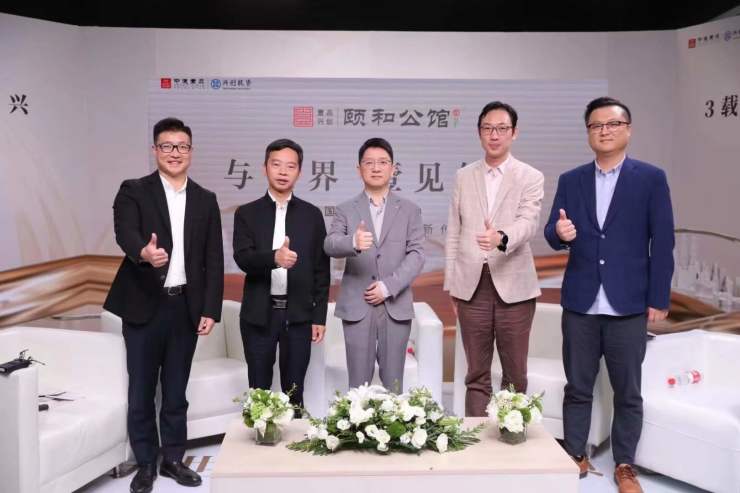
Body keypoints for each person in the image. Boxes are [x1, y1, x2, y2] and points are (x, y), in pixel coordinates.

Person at [544, 96, 674, 493]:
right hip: (581, 302)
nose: (604, 131)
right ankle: (575, 453)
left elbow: (663, 241)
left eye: (613, 124)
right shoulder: (571, 180)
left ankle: (625, 466)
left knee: (627, 392)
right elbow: (552, 231)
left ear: (627, 130)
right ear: (588, 133)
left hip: (629, 302)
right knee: (577, 387)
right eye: (596, 125)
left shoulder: (650, 178)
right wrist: (559, 234)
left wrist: (659, 297)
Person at [104, 117, 224, 493]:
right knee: (141, 390)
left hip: (184, 307)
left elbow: (213, 258)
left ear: (191, 151)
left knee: (175, 390)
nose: (175, 153)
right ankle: (145, 463)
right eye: (167, 146)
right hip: (143, 306)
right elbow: (125, 231)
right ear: (155, 150)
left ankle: (173, 459)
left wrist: (210, 309)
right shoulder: (134, 190)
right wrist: (143, 252)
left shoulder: (205, 199)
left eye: (182, 146)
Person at [444, 101, 544, 417]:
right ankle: (476, 441)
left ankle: (510, 437)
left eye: (502, 128)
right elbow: (454, 231)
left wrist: (502, 237)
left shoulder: (530, 176)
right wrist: (452, 284)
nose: (494, 135)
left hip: (514, 286)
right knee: (476, 374)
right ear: (479, 133)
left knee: (515, 374)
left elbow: (529, 222)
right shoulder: (463, 176)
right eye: (488, 128)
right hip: (471, 285)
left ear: (514, 133)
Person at [233, 138, 329, 409]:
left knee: (294, 393)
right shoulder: (247, 213)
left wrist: (319, 316)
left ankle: (293, 437)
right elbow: (243, 258)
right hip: (258, 315)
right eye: (276, 164)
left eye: (290, 166)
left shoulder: (312, 215)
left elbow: (321, 270)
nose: (283, 172)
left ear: (299, 171)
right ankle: (260, 436)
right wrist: (273, 258)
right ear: (265, 168)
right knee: (259, 394)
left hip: (298, 316)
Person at [324, 137, 424, 392]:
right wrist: (353, 242)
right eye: (369, 163)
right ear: (359, 169)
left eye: (382, 162)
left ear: (393, 168)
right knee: (358, 387)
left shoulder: (410, 210)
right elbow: (330, 244)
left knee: (394, 385)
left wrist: (388, 287)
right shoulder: (345, 209)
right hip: (357, 306)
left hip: (395, 304)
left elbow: (416, 255)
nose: (376, 168)